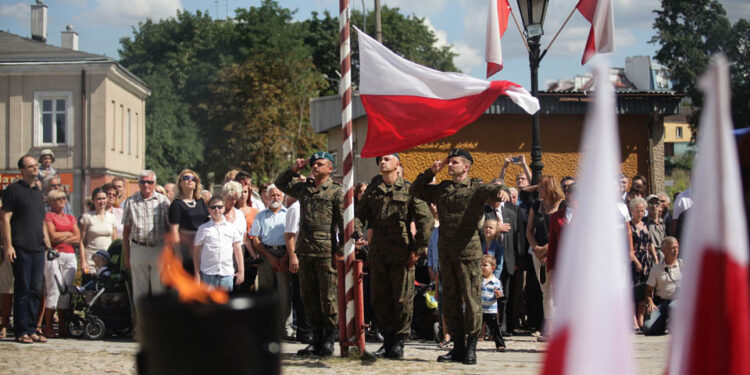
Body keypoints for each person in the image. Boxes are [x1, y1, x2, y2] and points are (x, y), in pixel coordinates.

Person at [411, 148, 510, 365]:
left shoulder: (475, 186)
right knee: (450, 301)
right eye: (449, 162)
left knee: (471, 299)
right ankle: (457, 347)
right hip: (446, 252)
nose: (450, 165)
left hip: (468, 252)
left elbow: (494, 189)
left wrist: (501, 191)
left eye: (454, 162)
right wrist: (431, 171)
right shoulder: (443, 188)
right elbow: (416, 190)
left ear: (466, 166)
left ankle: (471, 347)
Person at [354, 153, 432, 359]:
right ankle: (387, 341)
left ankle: (398, 342)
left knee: (402, 300)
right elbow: (359, 215)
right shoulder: (373, 189)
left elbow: (425, 220)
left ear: (397, 164)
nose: (382, 162)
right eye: (380, 159)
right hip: (378, 253)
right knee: (380, 298)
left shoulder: (409, 189)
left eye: (387, 159)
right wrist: (356, 230)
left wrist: (418, 248)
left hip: (402, 254)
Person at [275, 151, 344, 357]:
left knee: (328, 298)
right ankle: (316, 339)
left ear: (330, 168)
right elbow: (280, 184)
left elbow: (342, 221)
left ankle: (329, 339)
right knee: (309, 297)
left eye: (320, 164)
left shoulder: (335, 192)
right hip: (305, 249)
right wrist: (293, 169)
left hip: (326, 250)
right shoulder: (304, 189)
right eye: (313, 164)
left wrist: (340, 250)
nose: (315, 167)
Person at [2, 155, 49, 344]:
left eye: (36, 166)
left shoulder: (38, 192)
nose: (35, 168)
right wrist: (8, 245)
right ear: (22, 170)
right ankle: (21, 330)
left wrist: (47, 244)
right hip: (20, 247)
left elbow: (41, 221)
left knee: (35, 289)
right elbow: (5, 219)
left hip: (38, 248)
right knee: (22, 288)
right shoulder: (13, 190)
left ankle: (31, 328)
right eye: (31, 166)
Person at [122, 170, 171, 315]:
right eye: (143, 182)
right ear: (138, 184)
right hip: (138, 247)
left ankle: (158, 329)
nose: (146, 185)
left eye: (149, 182)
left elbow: (169, 229)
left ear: (155, 184)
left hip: (158, 248)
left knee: (158, 291)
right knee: (140, 293)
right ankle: (141, 329)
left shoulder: (163, 201)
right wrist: (127, 256)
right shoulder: (131, 202)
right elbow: (126, 231)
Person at [525, 175, 565, 341]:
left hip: (557, 252)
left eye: (541, 188)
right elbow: (529, 231)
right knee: (546, 291)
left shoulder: (563, 206)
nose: (538, 191)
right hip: (538, 254)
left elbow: (563, 231)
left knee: (559, 290)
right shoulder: (536, 205)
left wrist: (547, 249)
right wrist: (536, 249)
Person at [250, 185, 293, 338]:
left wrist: (284, 258)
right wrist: (271, 257)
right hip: (266, 255)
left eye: (278, 195)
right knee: (265, 293)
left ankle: (285, 328)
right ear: (266, 197)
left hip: (285, 255)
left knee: (285, 294)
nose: (275, 197)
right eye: (272, 195)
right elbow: (255, 239)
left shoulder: (289, 214)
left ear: (283, 197)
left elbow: (293, 238)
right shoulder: (260, 216)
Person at [43, 189, 80, 338]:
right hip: (55, 255)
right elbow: (52, 235)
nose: (62, 201)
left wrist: (62, 237)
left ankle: (63, 326)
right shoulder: (48, 216)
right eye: (58, 198)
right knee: (54, 289)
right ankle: (48, 325)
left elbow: (78, 238)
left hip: (70, 255)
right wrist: (68, 234)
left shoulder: (71, 218)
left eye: (64, 198)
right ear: (51, 201)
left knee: (66, 291)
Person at [193, 196, 244, 291]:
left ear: (224, 208)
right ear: (209, 209)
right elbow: (196, 251)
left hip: (226, 274)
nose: (216, 209)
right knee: (208, 304)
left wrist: (241, 272)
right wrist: (197, 273)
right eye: (213, 207)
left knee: (226, 304)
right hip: (208, 273)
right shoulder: (203, 228)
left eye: (219, 207)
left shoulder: (232, 228)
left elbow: (238, 250)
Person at [168, 169, 209, 275]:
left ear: (196, 183)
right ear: (180, 184)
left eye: (193, 179)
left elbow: (208, 222)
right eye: (186, 178)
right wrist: (178, 253)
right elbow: (174, 230)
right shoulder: (177, 204)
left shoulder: (201, 202)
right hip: (186, 247)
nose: (190, 181)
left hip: (202, 246)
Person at [284, 194, 311, 344]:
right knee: (301, 295)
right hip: (300, 256)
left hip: (315, 255)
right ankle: (304, 331)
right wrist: (293, 256)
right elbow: (289, 235)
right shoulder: (295, 208)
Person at [629, 197, 658, 329]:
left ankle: (641, 317)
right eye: (638, 211)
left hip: (646, 258)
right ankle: (633, 319)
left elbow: (650, 243)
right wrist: (635, 261)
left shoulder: (645, 225)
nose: (640, 214)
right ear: (632, 211)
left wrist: (655, 258)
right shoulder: (628, 226)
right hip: (634, 259)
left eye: (642, 211)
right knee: (633, 289)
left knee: (643, 290)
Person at [642, 237, 681, 335]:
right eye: (672, 248)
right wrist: (650, 302)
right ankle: (662, 323)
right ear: (663, 250)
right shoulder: (656, 269)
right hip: (662, 303)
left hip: (677, 302)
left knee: (674, 307)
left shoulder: (683, 265)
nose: (675, 250)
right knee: (648, 329)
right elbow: (648, 290)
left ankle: (676, 324)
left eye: (677, 247)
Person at [79, 188, 117, 273]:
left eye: (103, 198)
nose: (101, 201)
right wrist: (83, 261)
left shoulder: (112, 217)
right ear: (93, 200)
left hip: (107, 259)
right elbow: (81, 241)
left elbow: (114, 240)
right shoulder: (87, 217)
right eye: (99, 199)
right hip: (91, 260)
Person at [480, 254, 506, 352]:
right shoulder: (479, 280)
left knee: (495, 328)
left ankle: (500, 344)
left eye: (485, 265)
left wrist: (498, 293)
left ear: (493, 268)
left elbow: (500, 295)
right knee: (475, 328)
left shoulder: (496, 282)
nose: (482, 267)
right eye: (481, 265)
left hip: (491, 310)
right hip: (481, 309)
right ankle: (470, 343)